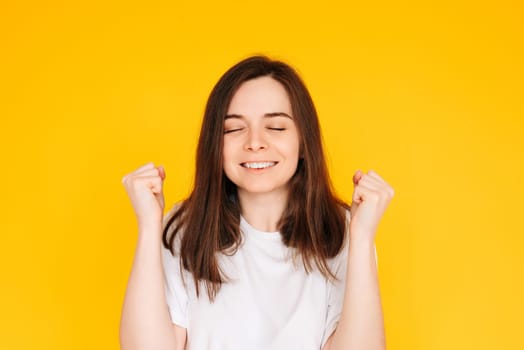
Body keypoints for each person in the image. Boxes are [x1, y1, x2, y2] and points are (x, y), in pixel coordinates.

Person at [119, 55, 394, 350]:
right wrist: (149, 226)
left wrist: (362, 238)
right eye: (234, 129)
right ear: (215, 144)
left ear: (304, 141)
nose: (254, 142)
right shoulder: (183, 230)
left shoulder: (341, 231)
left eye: (275, 127)